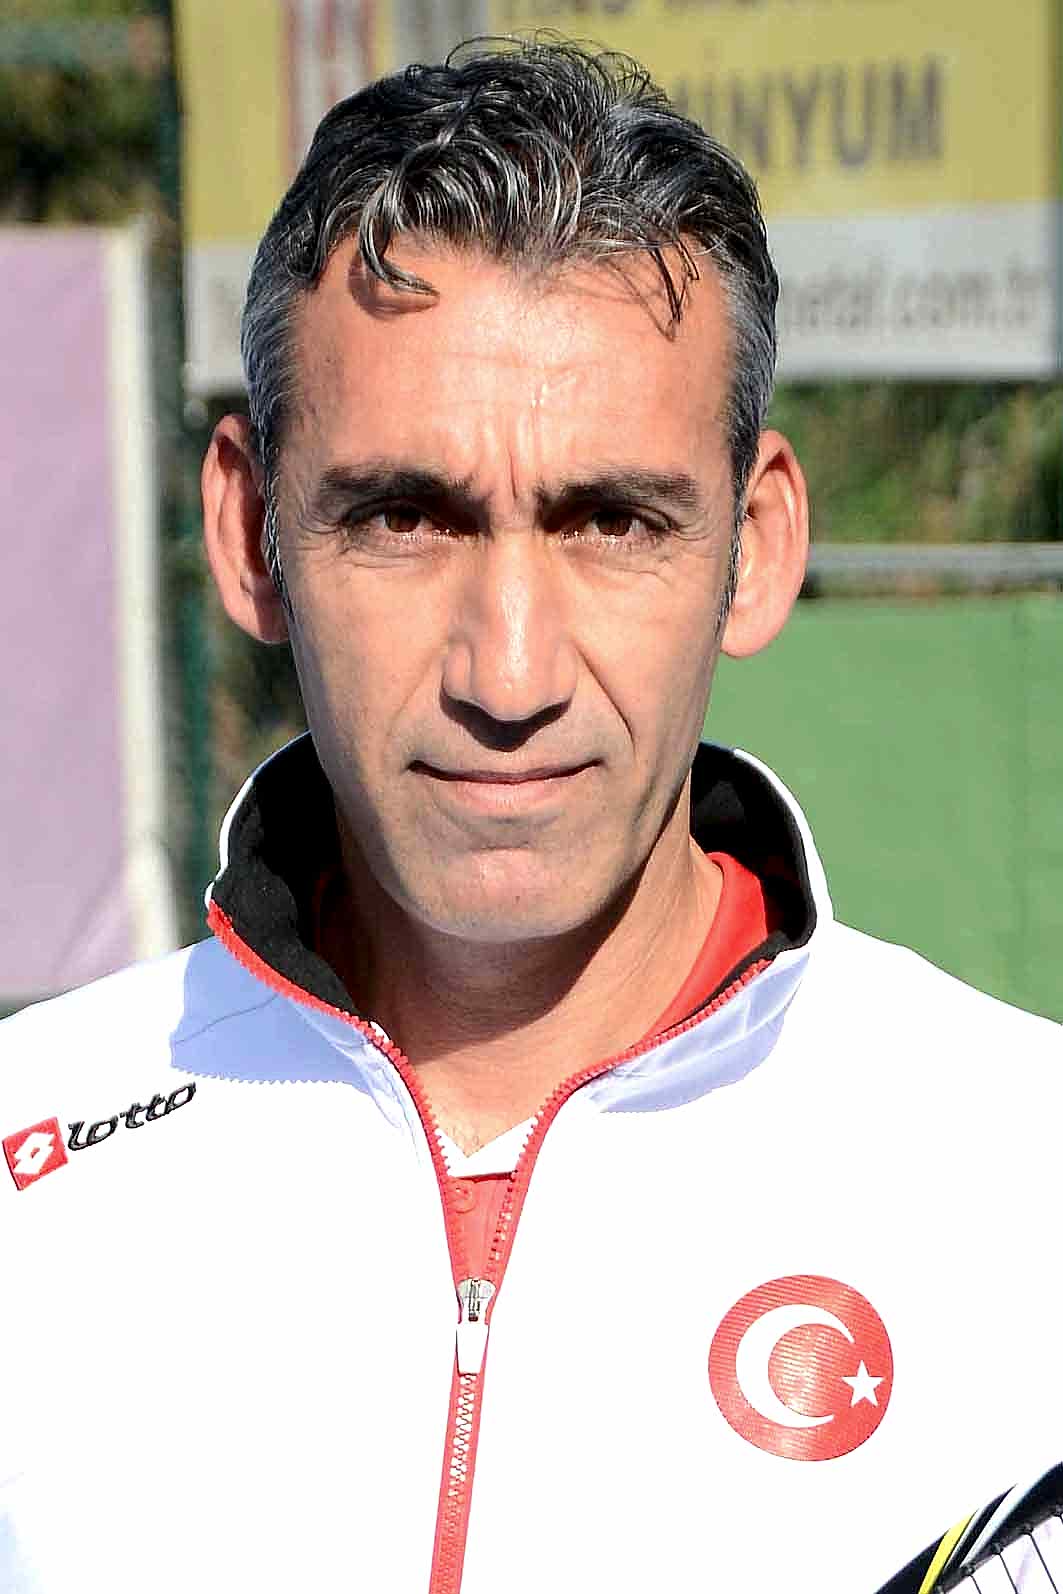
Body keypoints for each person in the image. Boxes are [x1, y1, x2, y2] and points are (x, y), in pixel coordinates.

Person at [1, 38, 1059, 1594]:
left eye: (614, 520)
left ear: (757, 545)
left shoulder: (1030, 1176)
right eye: (404, 516)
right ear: (250, 533)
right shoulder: (24, 1168)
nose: (509, 672)